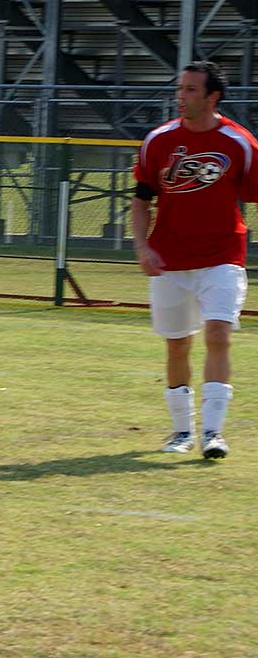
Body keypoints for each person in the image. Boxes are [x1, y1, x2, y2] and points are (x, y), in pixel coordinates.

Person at [132, 60, 257, 460]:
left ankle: (213, 434)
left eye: (189, 90)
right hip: (170, 259)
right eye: (180, 88)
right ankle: (181, 431)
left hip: (222, 256)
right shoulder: (158, 140)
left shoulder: (239, 142)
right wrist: (142, 246)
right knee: (177, 345)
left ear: (212, 96)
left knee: (218, 335)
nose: (180, 97)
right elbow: (140, 199)